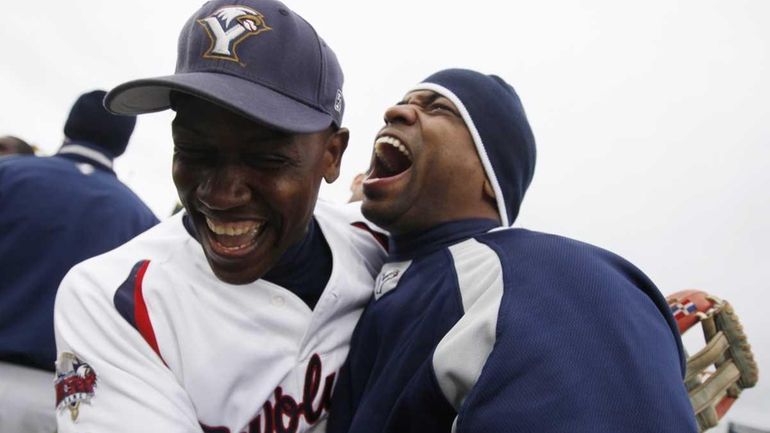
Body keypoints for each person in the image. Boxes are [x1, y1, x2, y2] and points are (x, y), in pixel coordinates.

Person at [52, 1, 385, 432]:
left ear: (332, 154)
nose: (222, 194)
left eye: (266, 158)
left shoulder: (375, 245)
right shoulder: (113, 298)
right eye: (194, 152)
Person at [327, 69, 699, 433]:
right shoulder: (375, 275)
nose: (396, 112)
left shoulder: (550, 277)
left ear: (491, 177)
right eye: (405, 102)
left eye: (439, 108)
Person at [0, 90, 159, 433]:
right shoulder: (145, 223)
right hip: (72, 405)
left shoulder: (8, 175)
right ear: (122, 143)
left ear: (70, 124)